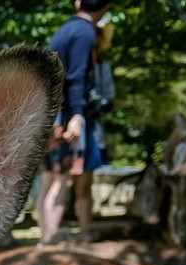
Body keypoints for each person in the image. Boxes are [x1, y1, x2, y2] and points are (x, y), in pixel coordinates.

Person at [36, 1, 113, 245]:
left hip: (52, 114)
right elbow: (76, 77)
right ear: (106, 7)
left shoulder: (65, 30)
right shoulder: (84, 32)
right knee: (63, 182)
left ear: (78, 2)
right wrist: (78, 115)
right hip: (67, 116)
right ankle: (50, 243)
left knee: (50, 181)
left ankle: (45, 241)